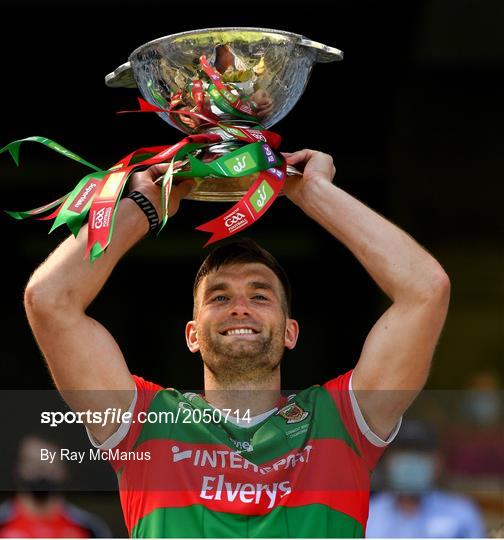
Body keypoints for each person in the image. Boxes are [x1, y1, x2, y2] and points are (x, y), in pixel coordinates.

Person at [23, 149, 451, 537]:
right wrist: (145, 206)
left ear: (290, 332)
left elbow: (425, 290)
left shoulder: (343, 419)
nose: (239, 308)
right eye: (219, 297)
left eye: (260, 295)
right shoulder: (143, 423)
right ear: (192, 334)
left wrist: (313, 192)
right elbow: (49, 300)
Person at [366, 419, 486, 538]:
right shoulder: (368, 514)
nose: (411, 463)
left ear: (437, 462)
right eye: (404, 452)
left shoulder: (462, 513)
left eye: (419, 453)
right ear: (388, 462)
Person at [0, 436, 110, 538]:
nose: (40, 472)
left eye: (49, 464)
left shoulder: (89, 529)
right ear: (17, 468)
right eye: (32, 463)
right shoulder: (3, 523)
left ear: (64, 470)